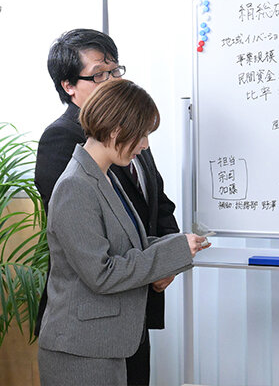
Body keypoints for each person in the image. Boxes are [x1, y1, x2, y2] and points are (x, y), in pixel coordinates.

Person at [38, 78, 209, 386]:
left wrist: (179, 245)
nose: (145, 145)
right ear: (117, 130)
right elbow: (101, 274)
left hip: (103, 345)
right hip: (80, 352)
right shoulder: (75, 186)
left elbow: (129, 244)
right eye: (142, 134)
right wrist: (175, 251)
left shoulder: (105, 177)